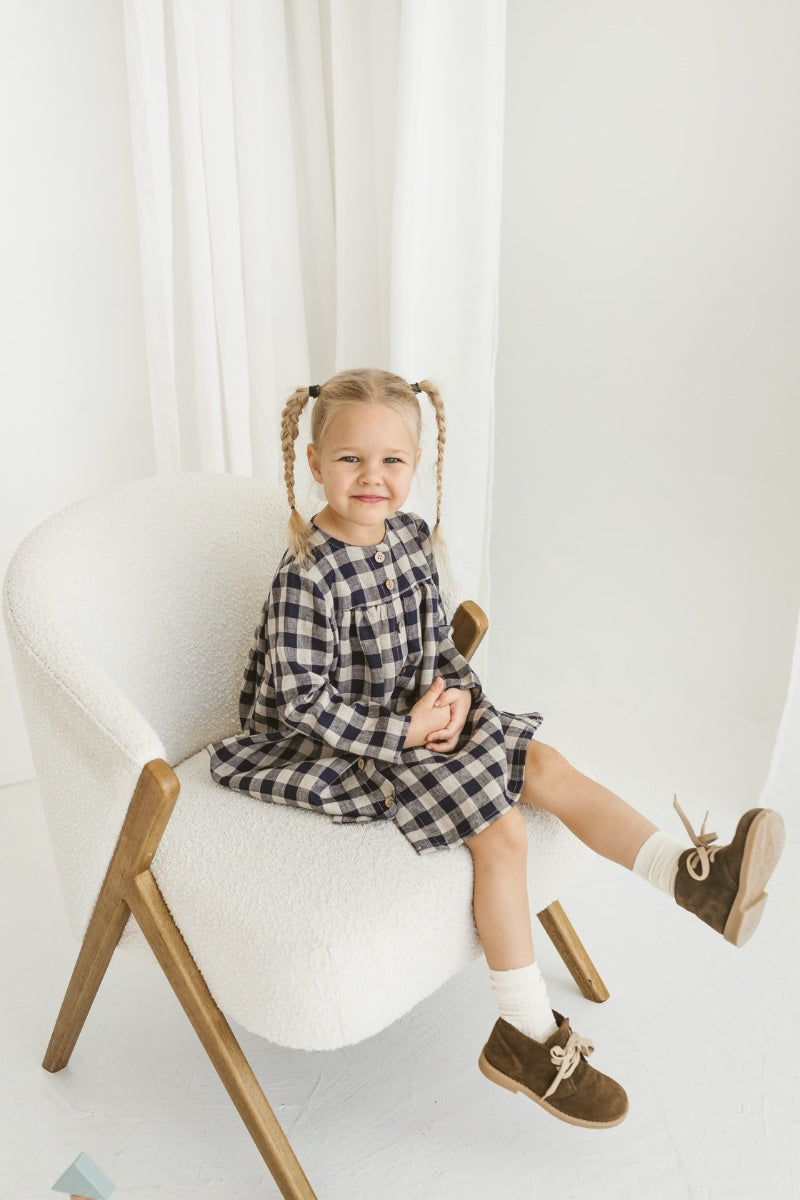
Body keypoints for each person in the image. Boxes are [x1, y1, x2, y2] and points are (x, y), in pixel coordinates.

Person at [209, 367, 786, 1129]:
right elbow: (303, 703)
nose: (372, 478)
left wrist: (453, 697)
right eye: (350, 459)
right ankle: (525, 1033)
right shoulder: (308, 577)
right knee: (501, 833)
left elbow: (433, 647)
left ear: (418, 466)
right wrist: (405, 731)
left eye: (393, 461)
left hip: (414, 721)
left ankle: (689, 880)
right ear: (315, 463)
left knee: (544, 764)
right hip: (343, 746)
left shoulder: (410, 539)